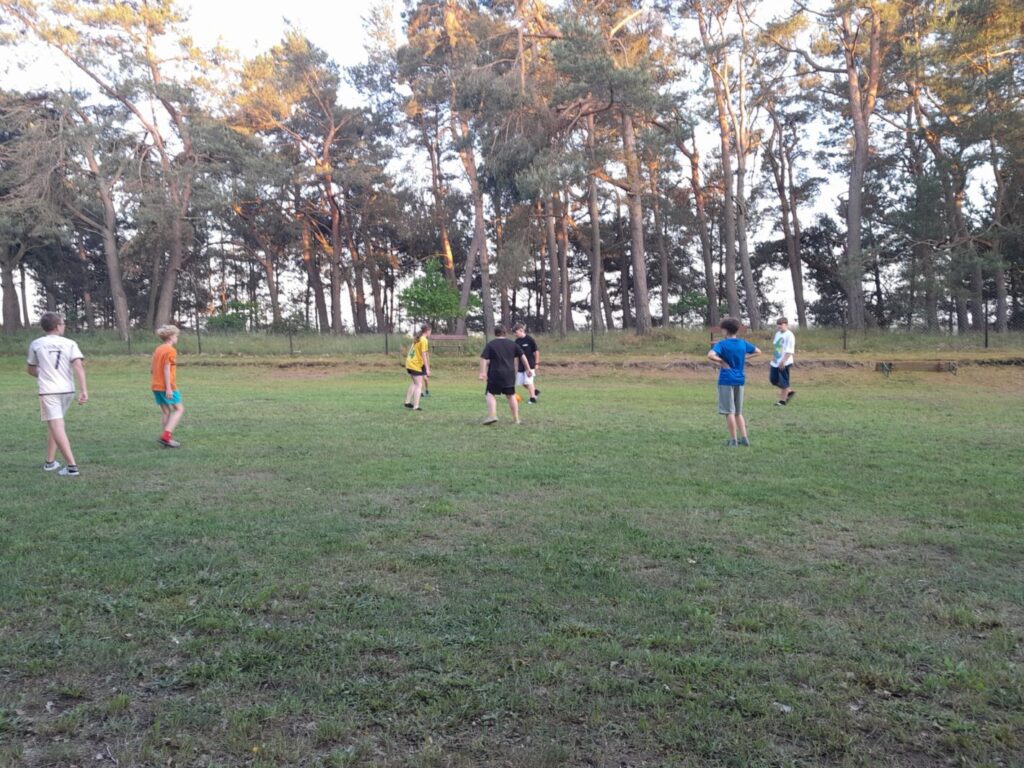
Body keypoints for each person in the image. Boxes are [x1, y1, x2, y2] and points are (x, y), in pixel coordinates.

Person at [26, 312, 89, 476]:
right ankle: (50, 462)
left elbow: (31, 369)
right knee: (55, 425)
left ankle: (72, 467)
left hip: (48, 391)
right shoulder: (70, 343)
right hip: (67, 390)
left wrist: (43, 373)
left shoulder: (36, 344)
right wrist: (84, 389)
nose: (64, 326)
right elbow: (78, 366)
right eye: (63, 324)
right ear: (58, 326)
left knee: (56, 426)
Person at [707, 317, 760, 447]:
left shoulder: (722, 344)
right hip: (740, 379)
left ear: (725, 330)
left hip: (726, 379)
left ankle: (733, 440)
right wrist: (745, 357)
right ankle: (744, 438)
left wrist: (721, 361)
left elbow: (710, 355)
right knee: (738, 412)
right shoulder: (742, 343)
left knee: (729, 412)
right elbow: (758, 351)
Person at [479, 324, 533, 425]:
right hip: (509, 374)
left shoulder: (491, 344)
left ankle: (492, 415)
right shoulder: (512, 344)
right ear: (505, 333)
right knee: (511, 395)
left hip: (495, 374)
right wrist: (528, 369)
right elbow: (522, 356)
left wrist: (482, 372)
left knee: (490, 393)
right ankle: (516, 419)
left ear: (495, 333)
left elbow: (483, 358)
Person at [152, 325, 185, 447]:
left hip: (156, 385)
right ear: (171, 337)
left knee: (166, 412)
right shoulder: (170, 350)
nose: (177, 338)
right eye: (176, 336)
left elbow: (152, 369)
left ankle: (166, 438)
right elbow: (166, 369)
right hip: (167, 386)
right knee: (179, 409)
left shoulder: (158, 349)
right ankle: (166, 436)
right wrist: (169, 388)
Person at [404, 323, 431, 410]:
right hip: (415, 364)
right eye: (430, 331)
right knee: (419, 384)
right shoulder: (424, 340)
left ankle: (407, 402)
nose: (430, 333)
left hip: (409, 362)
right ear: (427, 331)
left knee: (414, 383)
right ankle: (416, 406)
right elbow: (424, 355)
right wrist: (427, 369)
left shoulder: (418, 338)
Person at [770, 317, 796, 406]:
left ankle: (782, 401)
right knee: (773, 379)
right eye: (778, 324)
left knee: (783, 381)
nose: (779, 326)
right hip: (775, 361)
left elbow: (790, 350)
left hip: (785, 362)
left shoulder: (789, 335)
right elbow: (776, 346)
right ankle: (789, 391)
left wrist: (783, 361)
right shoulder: (777, 334)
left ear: (786, 325)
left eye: (781, 324)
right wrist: (774, 357)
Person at [512, 322, 541, 404]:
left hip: (530, 364)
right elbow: (516, 356)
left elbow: (536, 352)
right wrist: (515, 367)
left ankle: (532, 398)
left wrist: (536, 363)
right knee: (522, 382)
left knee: (528, 381)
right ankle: (535, 391)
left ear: (521, 330)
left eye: (516, 332)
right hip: (521, 366)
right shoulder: (516, 341)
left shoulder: (529, 339)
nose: (515, 334)